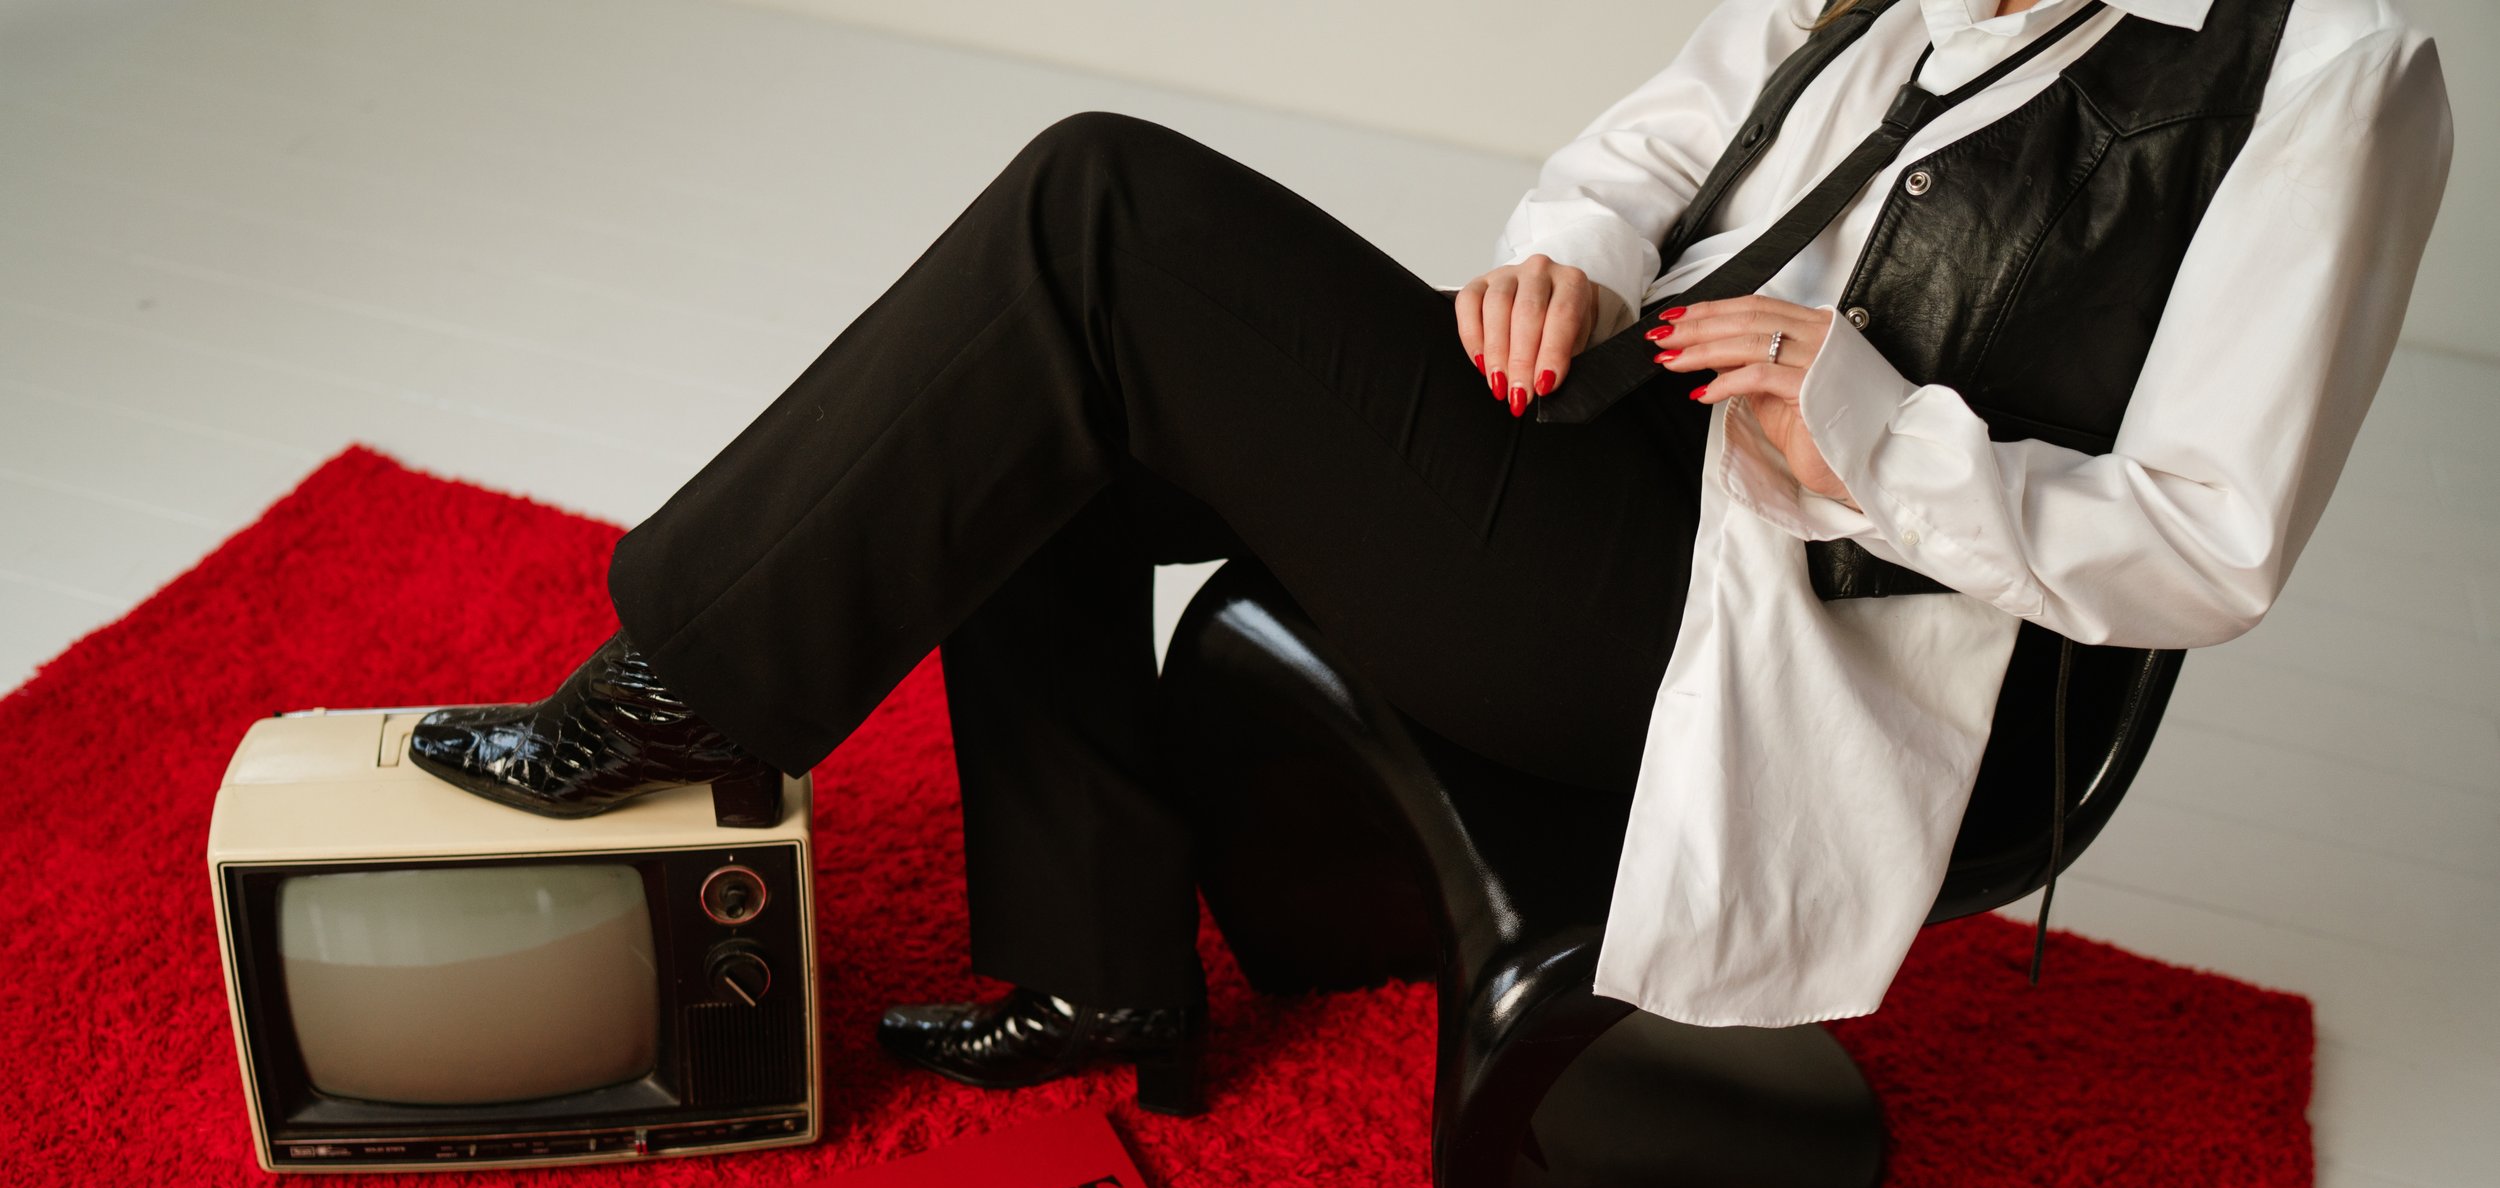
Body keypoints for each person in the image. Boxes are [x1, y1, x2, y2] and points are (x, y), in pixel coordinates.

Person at [407, 0, 2451, 1110]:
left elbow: (2210, 547)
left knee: (1097, 215)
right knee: (1045, 394)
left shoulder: (2329, 73)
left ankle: (680, 691)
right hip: (1607, 463)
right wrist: (1565, 256)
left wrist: (1870, 430)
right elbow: (1662, 142)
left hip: (1759, 632)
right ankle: (1096, 970)